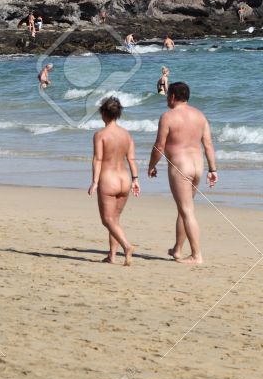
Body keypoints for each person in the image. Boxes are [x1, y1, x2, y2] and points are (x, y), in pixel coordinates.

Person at [148, 81, 217, 265]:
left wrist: (151, 165)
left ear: (171, 96)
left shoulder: (168, 117)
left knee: (187, 211)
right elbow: (208, 145)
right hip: (198, 167)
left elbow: (159, 146)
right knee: (185, 208)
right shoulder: (200, 116)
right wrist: (213, 169)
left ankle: (196, 255)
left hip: (181, 167)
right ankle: (177, 249)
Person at [88, 97, 139, 265]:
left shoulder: (100, 135)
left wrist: (95, 181)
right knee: (115, 220)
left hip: (109, 179)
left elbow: (98, 160)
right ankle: (112, 256)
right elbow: (131, 159)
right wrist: (135, 179)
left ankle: (126, 246)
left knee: (107, 220)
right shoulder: (127, 135)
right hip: (124, 179)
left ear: (103, 113)